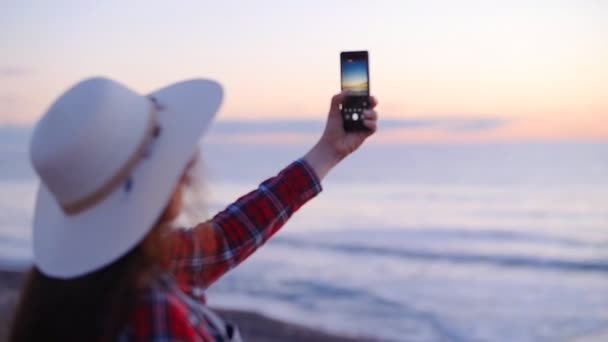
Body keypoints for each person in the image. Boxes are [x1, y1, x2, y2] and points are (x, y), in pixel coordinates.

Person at [9, 77, 378, 341]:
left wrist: (328, 152)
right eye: (165, 160)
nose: (185, 169)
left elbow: (228, 235)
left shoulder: (85, 282)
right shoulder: (150, 313)